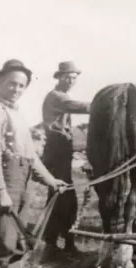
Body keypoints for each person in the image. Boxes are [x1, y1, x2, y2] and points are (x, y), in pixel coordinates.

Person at [0, 59, 67, 268]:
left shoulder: (16, 113)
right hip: (5, 182)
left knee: (18, 242)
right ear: (0, 82)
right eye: (11, 83)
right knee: (3, 243)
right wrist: (0, 191)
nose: (16, 89)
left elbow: (30, 157)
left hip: (21, 180)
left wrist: (51, 180)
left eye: (21, 85)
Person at [40, 61, 91, 254]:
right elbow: (76, 106)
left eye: (74, 78)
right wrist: (103, 105)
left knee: (65, 196)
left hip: (62, 149)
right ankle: (53, 242)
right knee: (61, 195)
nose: (71, 81)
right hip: (56, 150)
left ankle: (60, 240)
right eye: (68, 77)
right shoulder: (57, 97)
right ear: (59, 78)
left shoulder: (62, 96)